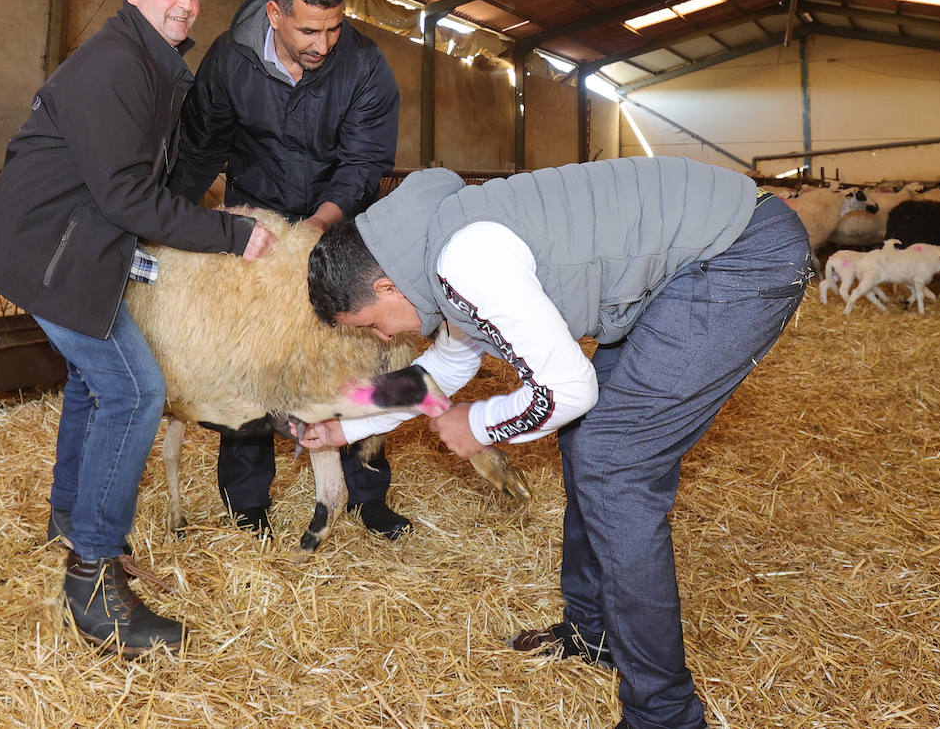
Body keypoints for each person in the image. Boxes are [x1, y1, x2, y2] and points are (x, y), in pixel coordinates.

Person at [300, 156, 810, 729]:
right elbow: (441, 367)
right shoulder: (436, 251)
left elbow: (569, 388)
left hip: (737, 253)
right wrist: (347, 423)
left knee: (613, 465)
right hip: (684, 266)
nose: (383, 335)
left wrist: (481, 424)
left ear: (385, 284)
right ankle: (593, 634)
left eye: (371, 322)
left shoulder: (467, 260)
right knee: (590, 444)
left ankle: (663, 715)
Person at [0, 0, 277, 657]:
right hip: (52, 249)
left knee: (92, 382)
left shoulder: (147, 62)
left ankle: (70, 524)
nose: (187, 2)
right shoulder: (117, 66)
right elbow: (124, 194)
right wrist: (228, 234)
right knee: (136, 391)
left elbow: (130, 183)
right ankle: (93, 582)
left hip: (69, 243)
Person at [167, 0, 407, 540]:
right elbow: (200, 148)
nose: (323, 43)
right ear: (275, 14)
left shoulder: (365, 66)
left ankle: (368, 494)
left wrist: (320, 227)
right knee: (250, 356)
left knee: (354, 354)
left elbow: (365, 161)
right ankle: (246, 503)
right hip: (259, 219)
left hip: (340, 224)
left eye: (333, 28)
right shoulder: (230, 61)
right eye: (308, 30)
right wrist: (168, 220)